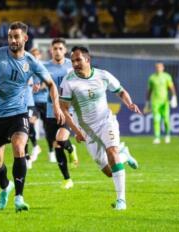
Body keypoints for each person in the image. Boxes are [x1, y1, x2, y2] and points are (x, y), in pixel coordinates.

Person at [0, 21, 65, 212]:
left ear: (25, 38)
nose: (13, 40)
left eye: (16, 37)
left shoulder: (31, 62)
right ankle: (6, 188)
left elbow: (51, 85)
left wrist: (56, 106)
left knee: (19, 147)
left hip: (19, 112)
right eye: (10, 37)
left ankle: (19, 198)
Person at [59, 46, 140, 210]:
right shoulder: (68, 81)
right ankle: (125, 156)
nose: (75, 63)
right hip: (87, 130)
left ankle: (121, 200)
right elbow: (64, 109)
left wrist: (129, 103)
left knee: (112, 152)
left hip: (106, 122)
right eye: (73, 60)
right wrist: (76, 130)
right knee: (108, 171)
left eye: (78, 60)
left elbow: (120, 91)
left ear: (87, 60)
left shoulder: (103, 75)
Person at [44, 38, 78, 189]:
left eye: (60, 48)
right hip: (50, 110)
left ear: (65, 50)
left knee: (61, 140)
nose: (57, 51)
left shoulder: (72, 66)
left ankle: (70, 148)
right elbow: (35, 81)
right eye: (55, 48)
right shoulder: (44, 67)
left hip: (67, 109)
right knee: (56, 146)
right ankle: (67, 179)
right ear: (51, 50)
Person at [144, 62, 177, 144]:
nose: (158, 69)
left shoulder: (167, 76)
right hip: (155, 102)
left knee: (166, 119)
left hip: (165, 101)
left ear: (163, 68)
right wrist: (147, 102)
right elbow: (149, 91)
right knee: (156, 120)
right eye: (157, 67)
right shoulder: (152, 78)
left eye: (160, 67)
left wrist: (174, 97)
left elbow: (171, 87)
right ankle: (157, 137)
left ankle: (167, 135)